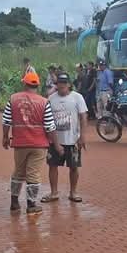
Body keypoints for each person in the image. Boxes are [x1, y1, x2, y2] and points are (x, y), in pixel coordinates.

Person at [2, 71, 58, 216]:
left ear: (24, 83)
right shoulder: (44, 102)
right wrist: (55, 144)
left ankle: (14, 203)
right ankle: (31, 205)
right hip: (39, 144)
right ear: (38, 85)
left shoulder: (13, 99)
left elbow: (6, 120)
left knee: (18, 172)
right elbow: (50, 126)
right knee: (33, 173)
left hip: (20, 142)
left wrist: (5, 137)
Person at [43, 73, 87, 203]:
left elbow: (83, 117)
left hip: (72, 140)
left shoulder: (77, 97)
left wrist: (82, 136)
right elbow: (46, 119)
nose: (62, 85)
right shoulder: (51, 99)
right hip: (55, 140)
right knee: (52, 166)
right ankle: (54, 192)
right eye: (59, 83)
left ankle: (73, 192)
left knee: (74, 167)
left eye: (64, 82)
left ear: (69, 84)